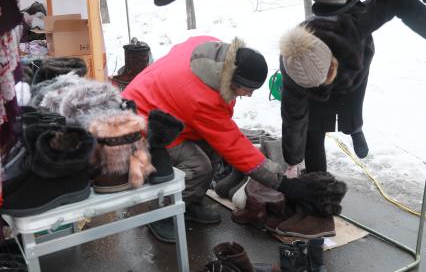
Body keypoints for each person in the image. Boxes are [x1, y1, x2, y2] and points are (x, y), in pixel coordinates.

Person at [123, 35, 347, 242]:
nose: (248, 95)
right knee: (198, 165)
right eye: (246, 89)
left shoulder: (213, 50)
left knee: (211, 147)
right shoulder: (202, 98)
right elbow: (232, 145)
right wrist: (284, 184)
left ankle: (188, 202)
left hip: (163, 107)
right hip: (139, 126)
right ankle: (161, 213)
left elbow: (222, 134)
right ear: (233, 79)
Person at [279, 0, 426, 175]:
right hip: (314, 92)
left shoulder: (353, 26)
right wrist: (293, 161)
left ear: (333, 64)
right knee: (312, 129)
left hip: (354, 72)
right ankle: (319, 183)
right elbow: (293, 117)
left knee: (352, 105)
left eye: (325, 79)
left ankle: (355, 129)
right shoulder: (293, 71)